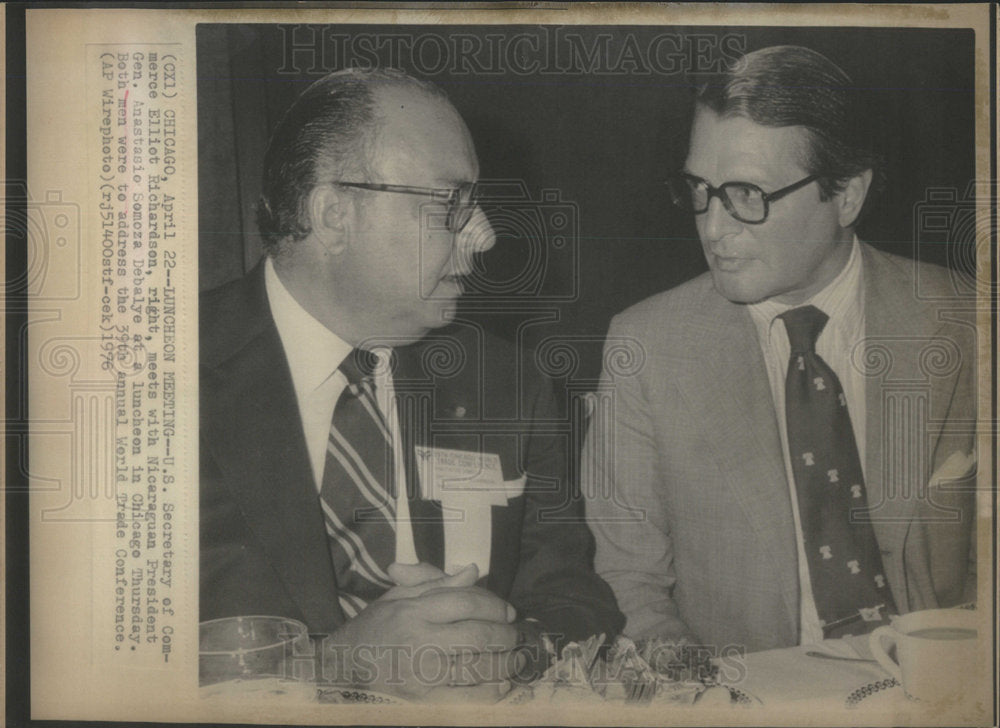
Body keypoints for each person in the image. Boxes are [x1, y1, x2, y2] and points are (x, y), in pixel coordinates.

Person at [200, 68, 623, 700]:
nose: (485, 236)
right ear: (334, 213)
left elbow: (570, 597)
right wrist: (335, 665)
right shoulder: (150, 376)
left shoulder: (508, 382)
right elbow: (90, 660)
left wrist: (504, 652)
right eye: (451, 203)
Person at [583, 45, 976, 654]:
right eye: (700, 188)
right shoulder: (645, 346)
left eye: (748, 194)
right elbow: (629, 580)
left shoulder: (970, 323)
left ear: (846, 195)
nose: (713, 227)